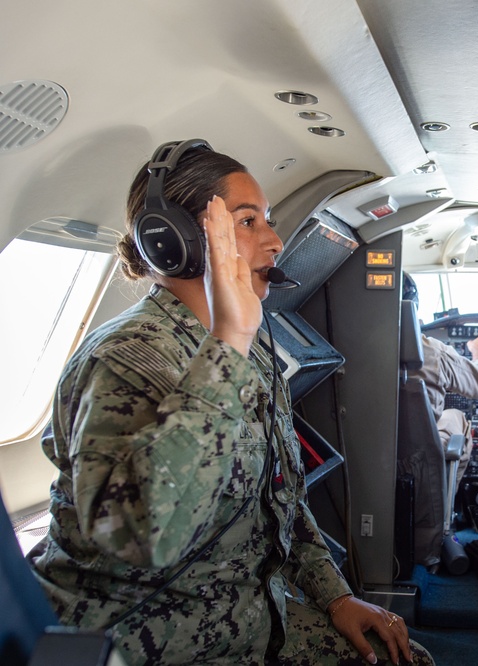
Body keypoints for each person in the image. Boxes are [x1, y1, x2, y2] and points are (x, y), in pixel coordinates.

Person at [28, 140, 434, 666]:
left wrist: (334, 594)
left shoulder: (253, 346)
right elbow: (144, 536)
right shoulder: (127, 358)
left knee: (406, 659)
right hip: (140, 641)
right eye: (248, 222)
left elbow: (281, 497)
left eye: (267, 220)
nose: (275, 241)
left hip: (250, 618)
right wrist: (228, 342)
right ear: (176, 241)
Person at [402, 273, 478, 484]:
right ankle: (445, 496)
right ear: (411, 309)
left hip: (378, 454)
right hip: (418, 461)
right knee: (456, 416)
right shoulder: (432, 352)